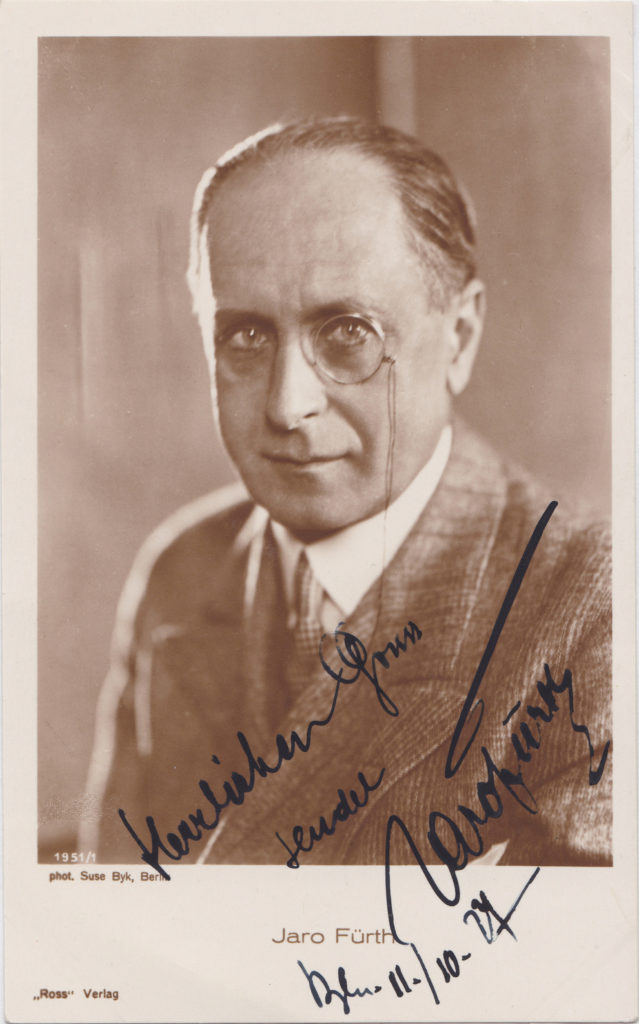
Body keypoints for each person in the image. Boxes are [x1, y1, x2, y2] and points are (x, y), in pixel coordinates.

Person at [80, 118, 611, 875]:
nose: (287, 404)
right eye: (246, 336)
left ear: (459, 337)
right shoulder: (182, 572)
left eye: (348, 332)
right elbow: (108, 922)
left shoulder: (594, 608)